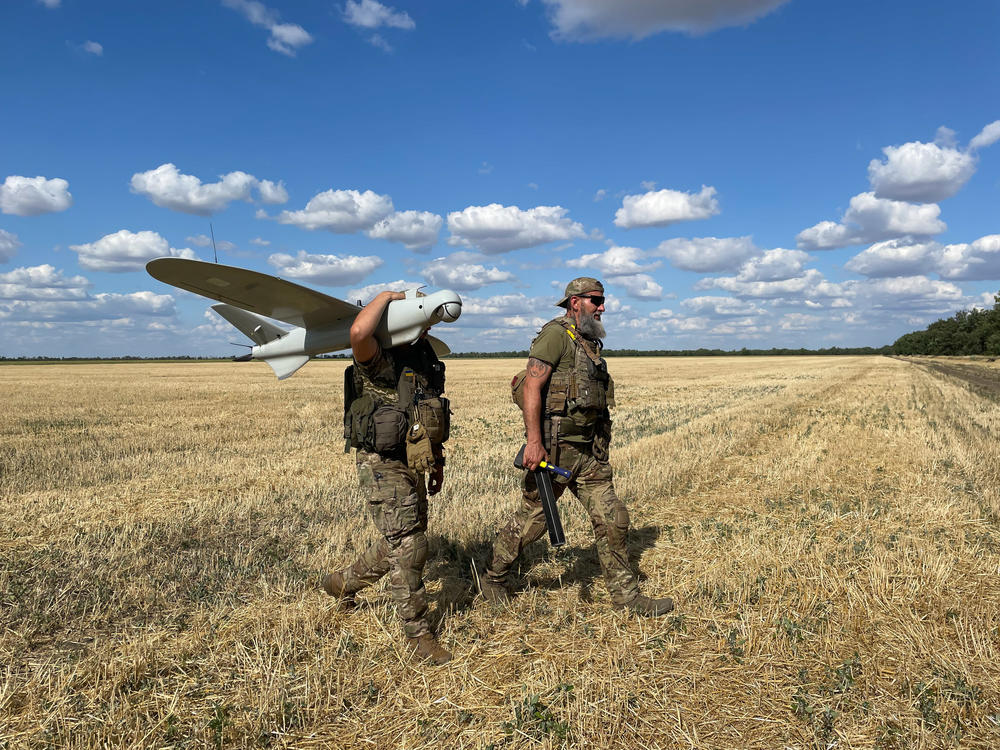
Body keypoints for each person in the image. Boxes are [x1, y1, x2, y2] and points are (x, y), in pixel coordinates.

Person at [480, 277, 674, 616]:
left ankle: (626, 598)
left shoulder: (590, 342)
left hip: (589, 452)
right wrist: (534, 442)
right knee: (533, 523)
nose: (603, 307)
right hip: (555, 451)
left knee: (614, 518)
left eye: (602, 300)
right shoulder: (555, 336)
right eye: (596, 300)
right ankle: (494, 577)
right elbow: (532, 388)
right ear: (575, 302)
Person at [322, 290, 453, 664]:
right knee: (410, 544)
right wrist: (386, 296)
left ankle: (343, 582)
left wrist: (436, 463)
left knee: (401, 540)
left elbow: (428, 417)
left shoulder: (423, 359)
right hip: (381, 464)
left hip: (413, 460)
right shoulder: (378, 360)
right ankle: (417, 635)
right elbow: (358, 332)